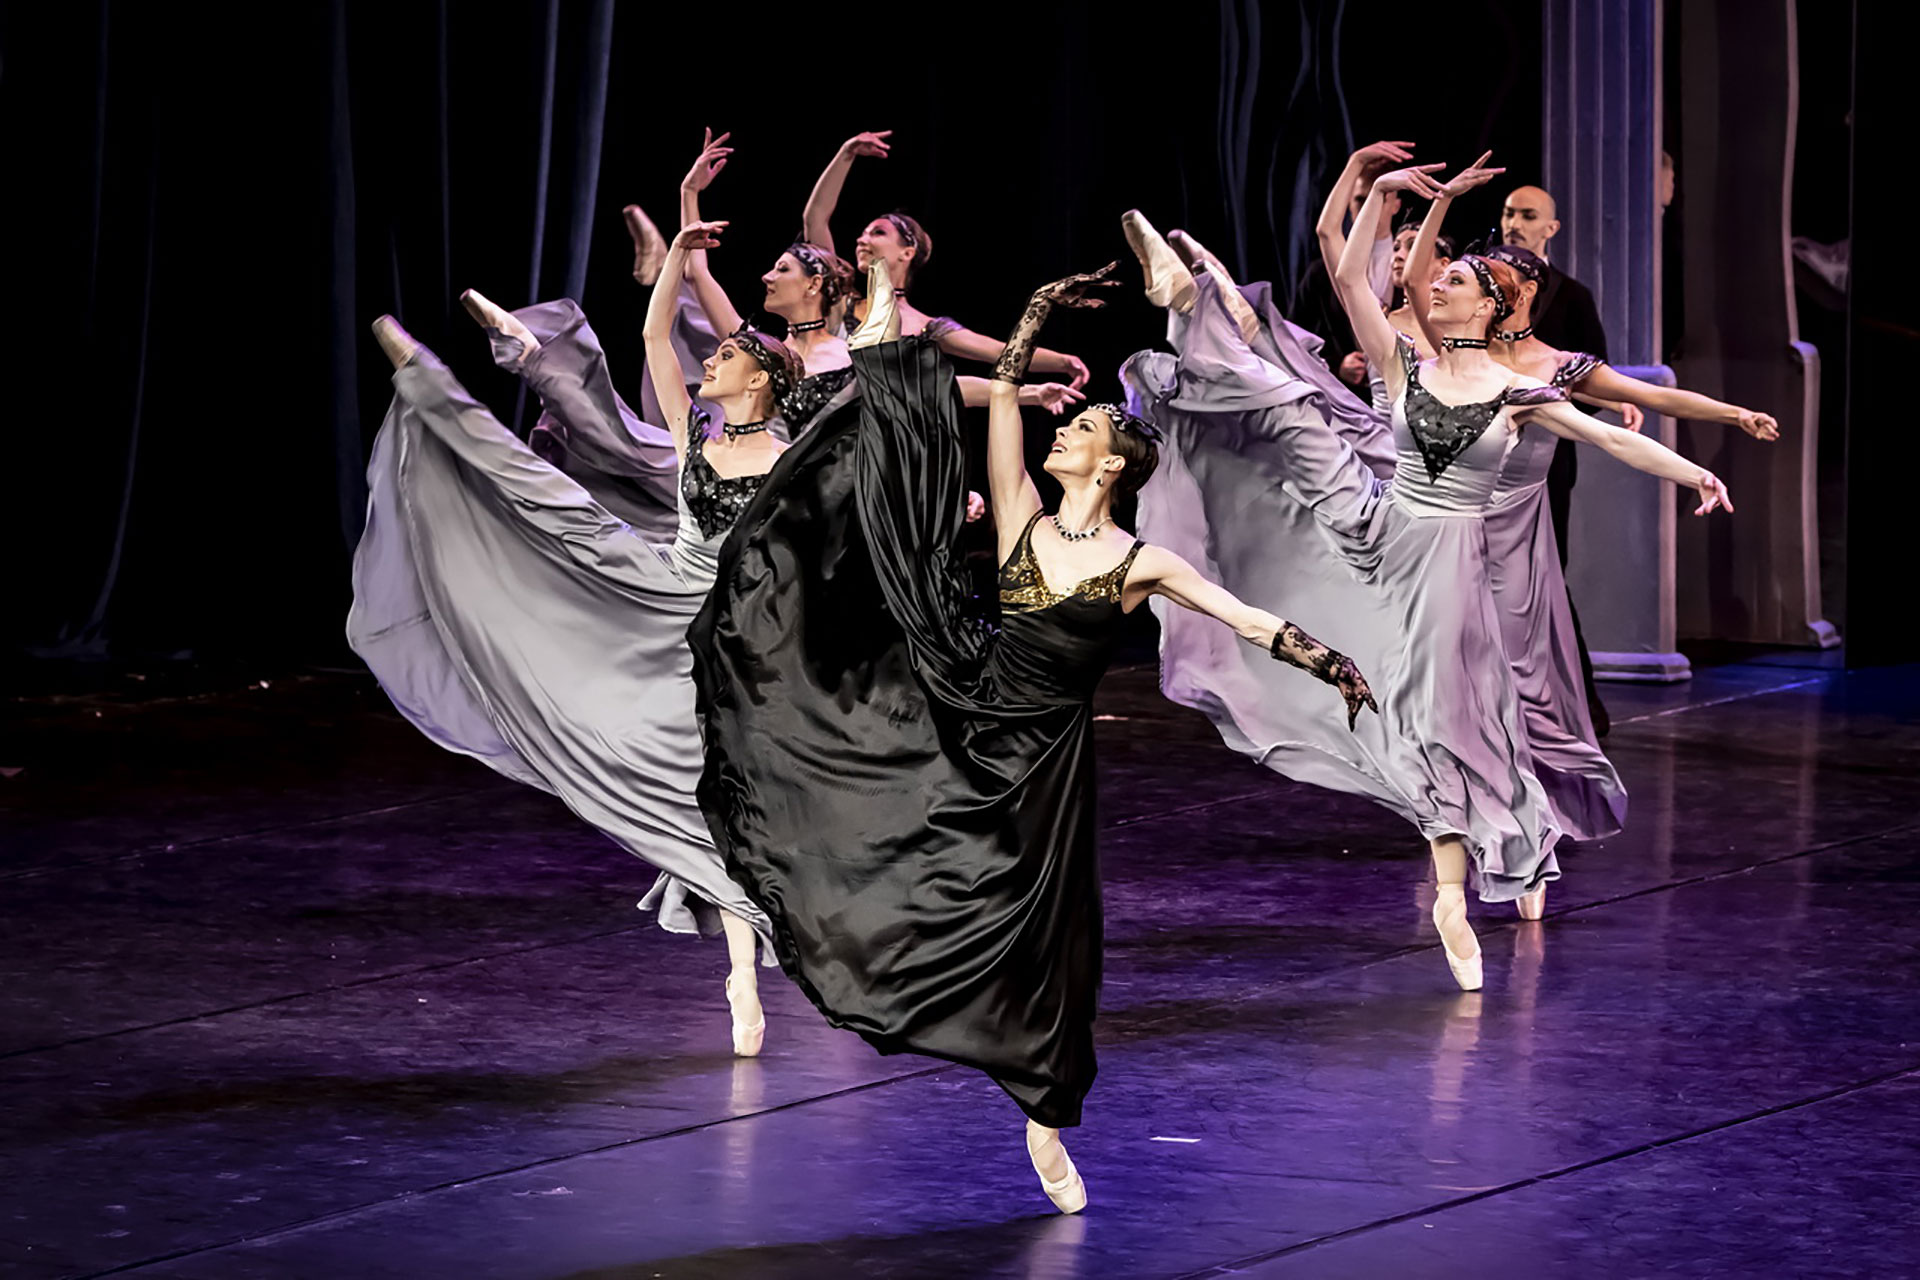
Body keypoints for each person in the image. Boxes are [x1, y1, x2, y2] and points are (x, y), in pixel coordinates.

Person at [689, 259, 1375, 1214]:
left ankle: (1043, 1119)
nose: (1067, 431)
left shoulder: (1143, 560)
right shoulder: (1020, 518)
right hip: (968, 710)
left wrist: (1329, 661)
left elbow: (1244, 616)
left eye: (1083, 429)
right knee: (911, 847)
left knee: (1045, 940)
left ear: (1112, 465)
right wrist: (1033, 313)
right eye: (1071, 424)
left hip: (1045, 762)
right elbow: (1005, 397)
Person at [1119, 167, 1734, 990]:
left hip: (1446, 561)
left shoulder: (1522, 391)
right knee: (1294, 409)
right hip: (1378, 519)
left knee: (1435, 718)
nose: (1431, 284)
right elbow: (1349, 275)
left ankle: (1462, 885)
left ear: (1487, 306)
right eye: (1436, 279)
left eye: (1452, 281)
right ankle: (1197, 302)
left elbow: (1614, 438)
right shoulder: (1404, 361)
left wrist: (1696, 473)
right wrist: (1392, 191)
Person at [347, 221, 810, 1060]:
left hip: (732, 632)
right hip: (657, 583)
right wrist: (677, 255)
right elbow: (654, 337)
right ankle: (430, 383)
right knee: (547, 499)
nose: (711, 360)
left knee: (724, 801)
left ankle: (743, 974)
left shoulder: (794, 460)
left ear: (762, 378)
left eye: (727, 355)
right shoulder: (694, 434)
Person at [796, 128, 1091, 386]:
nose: (862, 239)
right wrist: (846, 154)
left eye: (878, 233)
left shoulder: (926, 326)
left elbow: (998, 351)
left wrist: (1062, 361)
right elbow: (815, 218)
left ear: (907, 252)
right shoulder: (840, 301)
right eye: (863, 233)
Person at [1500, 183, 1612, 730]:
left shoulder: (1572, 297)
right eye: (1508, 213)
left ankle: (1578, 698)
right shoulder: (1482, 285)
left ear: (1551, 228)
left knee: (1545, 575)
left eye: (1527, 215)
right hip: (1484, 457)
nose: (1514, 223)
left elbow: (1596, 379)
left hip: (1545, 463)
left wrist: (1553, 413)